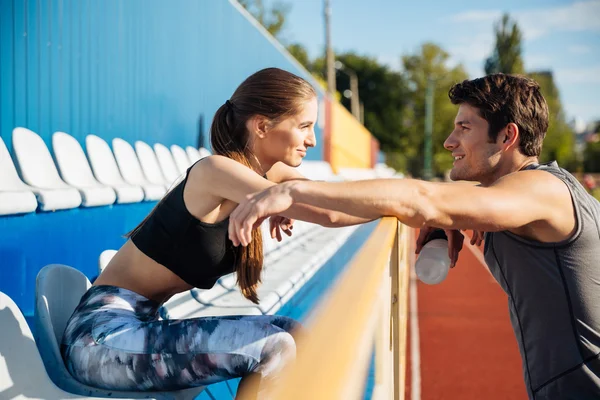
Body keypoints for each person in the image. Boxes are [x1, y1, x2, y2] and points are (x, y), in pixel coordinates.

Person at [229, 73, 600, 400]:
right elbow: (349, 210)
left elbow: (421, 197)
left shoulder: (542, 190)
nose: (449, 141)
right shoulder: (506, 197)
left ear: (507, 135)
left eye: (464, 128)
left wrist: (291, 193)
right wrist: (285, 187)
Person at [61, 67, 370, 398]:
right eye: (305, 126)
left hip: (139, 327)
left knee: (290, 331)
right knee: (274, 346)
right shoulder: (215, 171)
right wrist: (417, 204)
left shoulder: (269, 176)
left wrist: (408, 207)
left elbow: (336, 202)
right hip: (100, 340)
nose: (311, 139)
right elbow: (332, 212)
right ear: (263, 125)